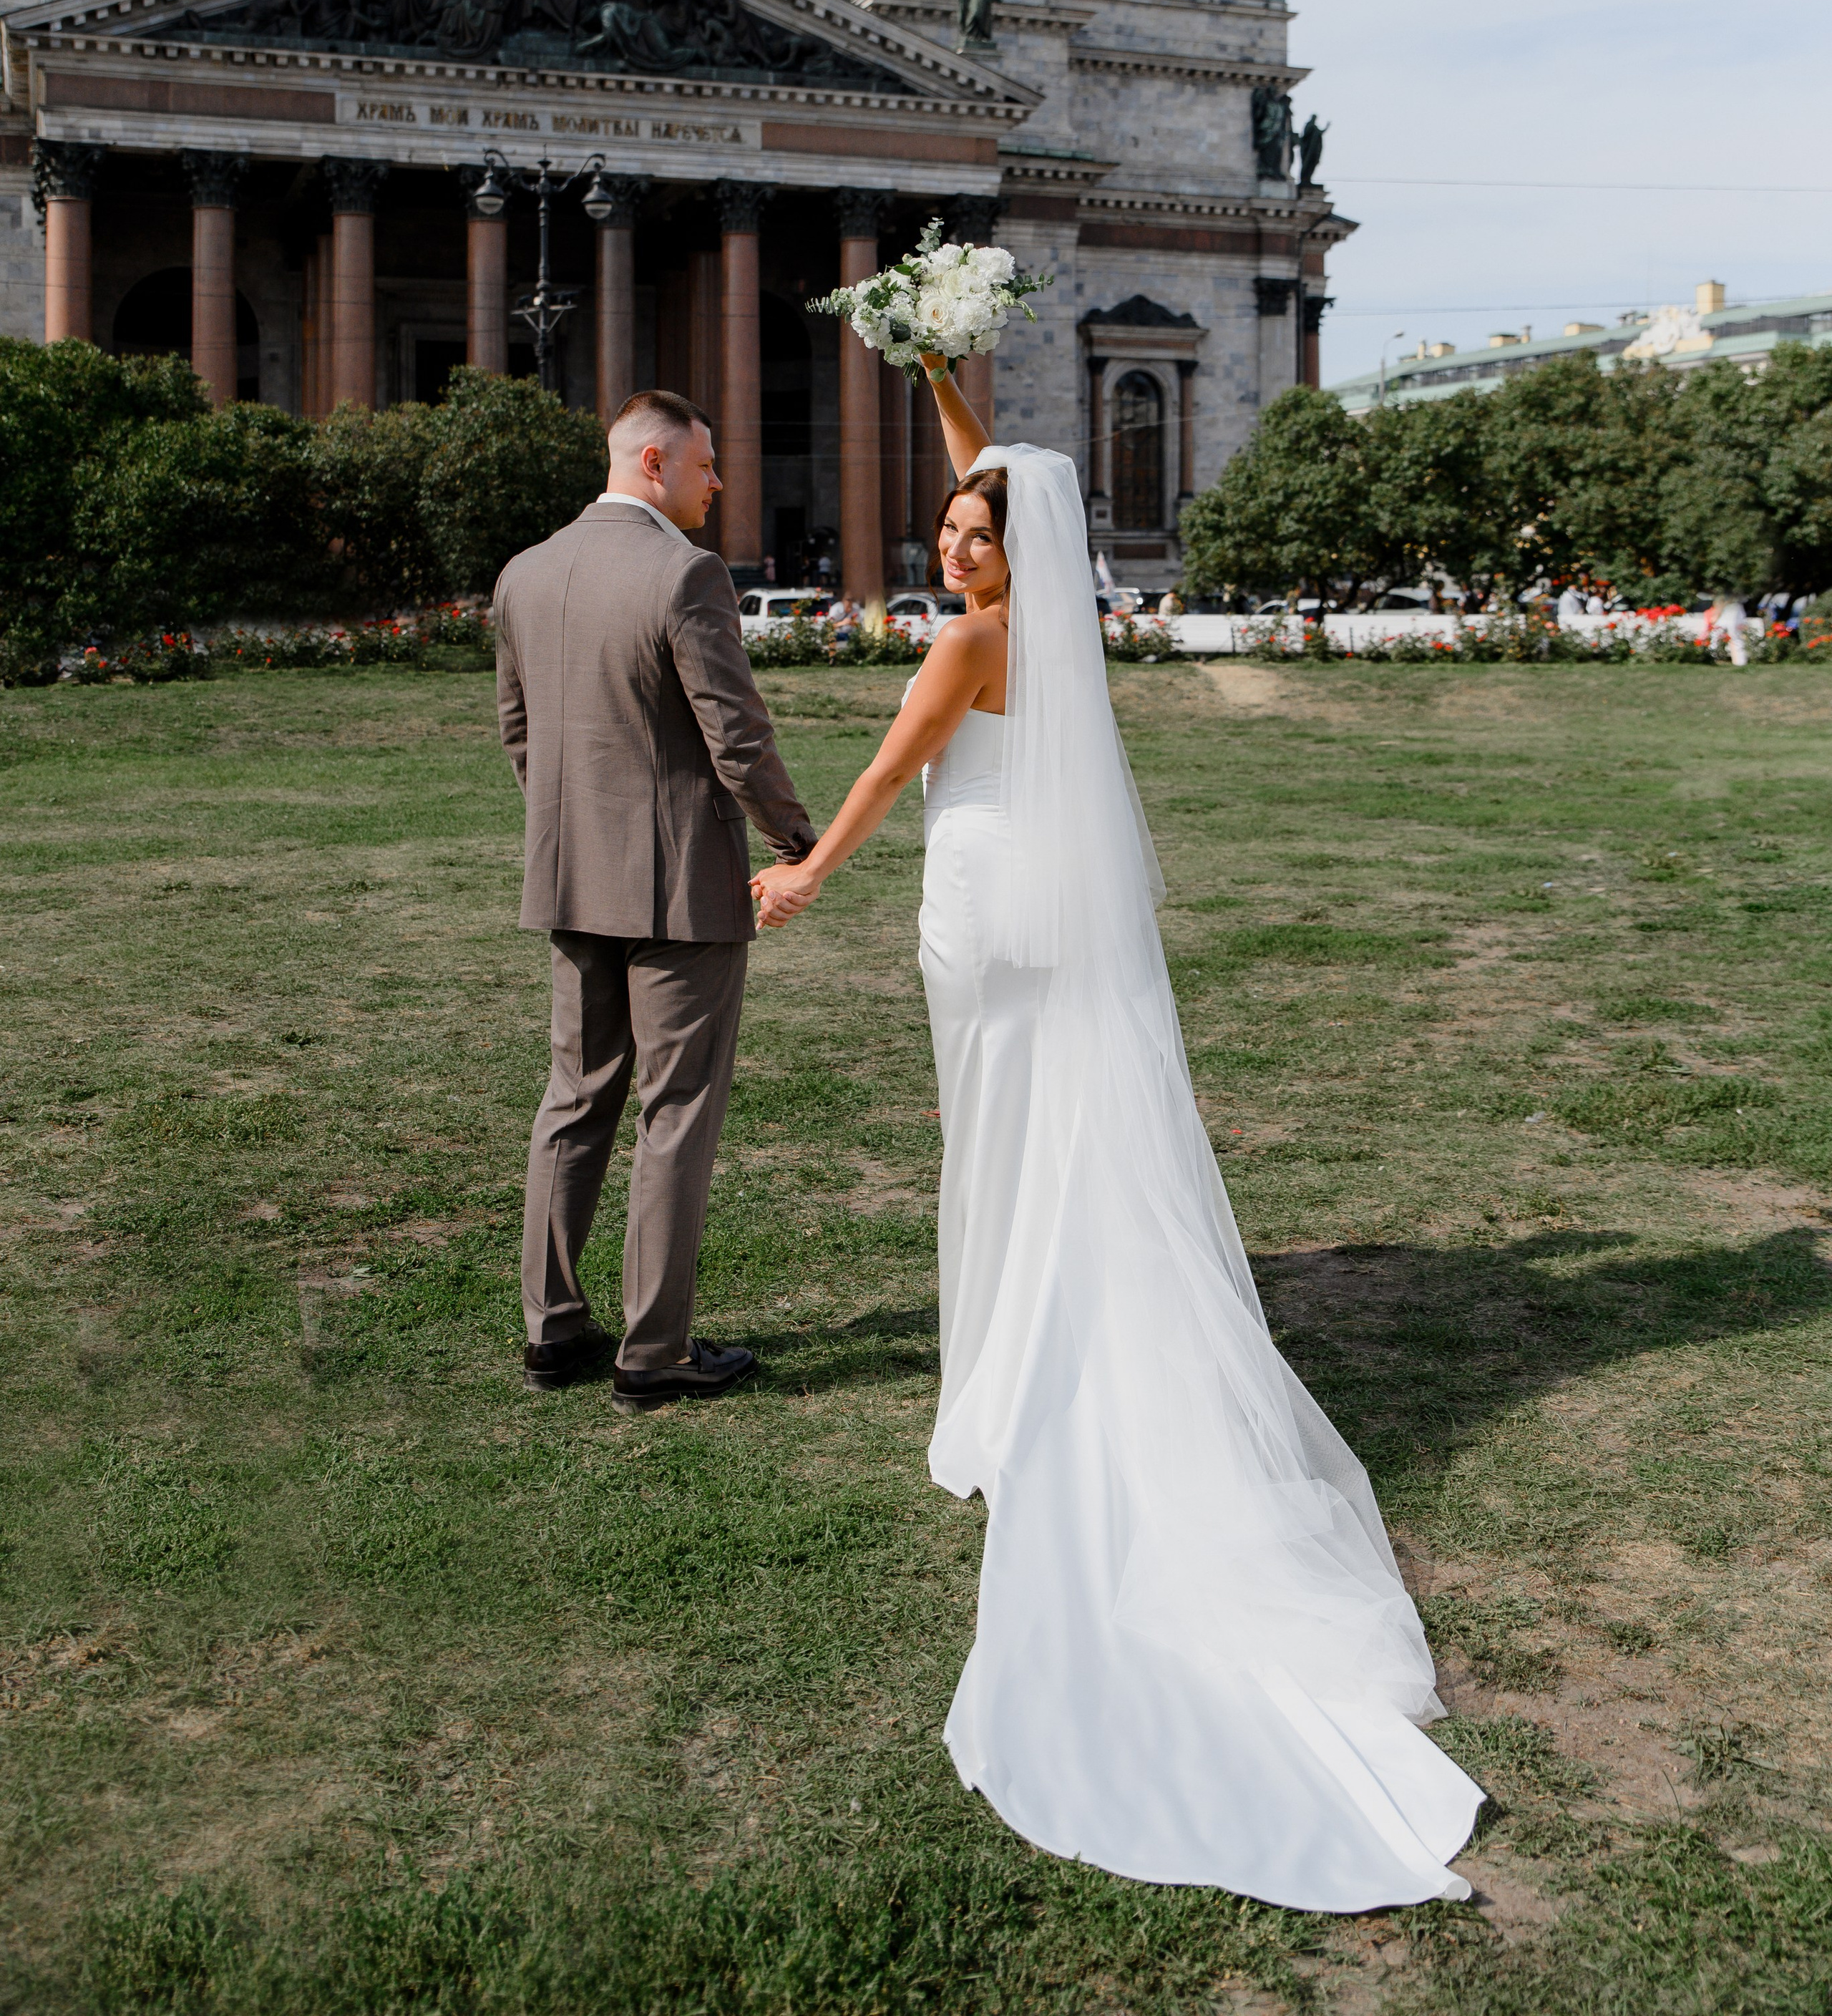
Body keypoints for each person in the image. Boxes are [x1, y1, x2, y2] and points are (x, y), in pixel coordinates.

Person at [751, 358, 1481, 1910]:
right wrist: (946, 379)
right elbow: (1013, 486)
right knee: (1037, 1138)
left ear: (1015, 552)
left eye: (970, 531)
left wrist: (809, 870)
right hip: (1044, 910)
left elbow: (891, 767)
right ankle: (1027, 1340)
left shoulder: (970, 638)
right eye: (946, 529)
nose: (951, 545)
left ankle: (1012, 1369)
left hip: (977, 912)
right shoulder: (1055, 625)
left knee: (995, 1143)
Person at [492, 390, 817, 1405]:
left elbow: (520, 734)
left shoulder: (525, 571)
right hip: (679, 890)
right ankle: (655, 1351)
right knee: (673, 1113)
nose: (717, 481)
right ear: (649, 462)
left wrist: (571, 829)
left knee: (574, 1100)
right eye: (704, 464)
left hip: (570, 872)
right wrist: (796, 840)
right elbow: (737, 735)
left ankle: (552, 1331)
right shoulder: (686, 574)